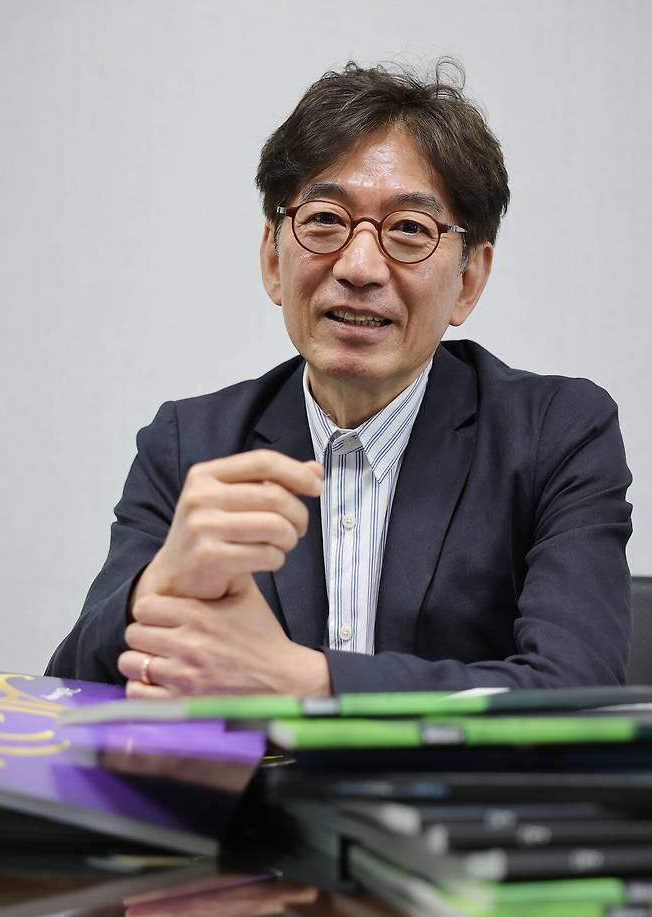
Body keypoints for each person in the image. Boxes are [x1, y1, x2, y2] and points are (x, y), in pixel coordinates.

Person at [46, 60, 633, 697]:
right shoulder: (191, 444)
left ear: (468, 280)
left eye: (408, 229)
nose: (359, 267)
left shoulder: (553, 434)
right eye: (325, 219)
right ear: (273, 258)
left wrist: (303, 679)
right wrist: (158, 583)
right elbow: (68, 692)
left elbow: (578, 690)